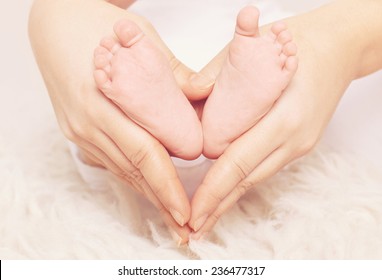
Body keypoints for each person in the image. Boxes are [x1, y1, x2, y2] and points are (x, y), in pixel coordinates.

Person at [29, 0, 382, 244]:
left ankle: (177, 120)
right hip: (258, 50)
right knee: (276, 64)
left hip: (162, 43)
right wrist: (56, 13)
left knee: (111, 117)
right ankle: (219, 115)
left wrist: (341, 41)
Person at [93, 6, 297, 159]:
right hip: (240, 32)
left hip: (147, 34)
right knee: (272, 37)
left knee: (101, 131)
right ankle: (224, 118)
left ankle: (171, 121)